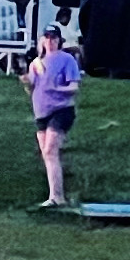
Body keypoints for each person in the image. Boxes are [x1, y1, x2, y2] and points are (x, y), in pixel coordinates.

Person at [25, 23, 83, 206]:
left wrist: (58, 88)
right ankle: (54, 195)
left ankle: (58, 197)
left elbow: (74, 87)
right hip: (41, 112)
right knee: (47, 154)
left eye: (54, 38)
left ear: (59, 40)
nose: (50, 41)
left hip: (61, 109)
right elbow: (33, 88)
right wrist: (26, 82)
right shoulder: (36, 64)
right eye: (47, 37)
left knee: (50, 149)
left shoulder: (67, 60)